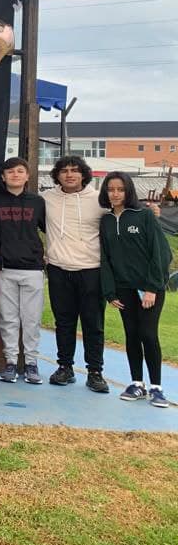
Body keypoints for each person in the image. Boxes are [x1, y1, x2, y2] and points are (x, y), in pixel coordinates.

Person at [99, 171, 173, 408]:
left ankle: (156, 388)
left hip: (148, 288)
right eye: (111, 189)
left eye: (120, 189)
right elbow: (105, 258)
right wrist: (110, 292)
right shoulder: (106, 221)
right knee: (131, 335)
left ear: (128, 191)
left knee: (148, 335)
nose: (115, 194)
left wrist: (152, 288)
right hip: (123, 289)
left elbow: (161, 253)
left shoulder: (144, 216)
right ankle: (136, 384)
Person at [43, 156, 111, 393]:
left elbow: (125, 212)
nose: (69, 175)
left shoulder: (100, 200)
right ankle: (65, 367)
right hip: (58, 269)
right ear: (57, 175)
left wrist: (151, 210)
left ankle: (95, 372)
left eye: (74, 170)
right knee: (63, 322)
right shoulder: (47, 198)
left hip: (91, 270)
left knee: (93, 324)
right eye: (64, 171)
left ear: (84, 174)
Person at [0, 157, 46, 384]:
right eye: (10, 172)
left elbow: (51, 230)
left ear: (27, 176)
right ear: (3, 177)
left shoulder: (38, 202)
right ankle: (10, 362)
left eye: (20, 171)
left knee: (31, 319)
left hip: (32, 268)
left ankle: (31, 364)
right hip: (4, 268)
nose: (15, 175)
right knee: (8, 319)